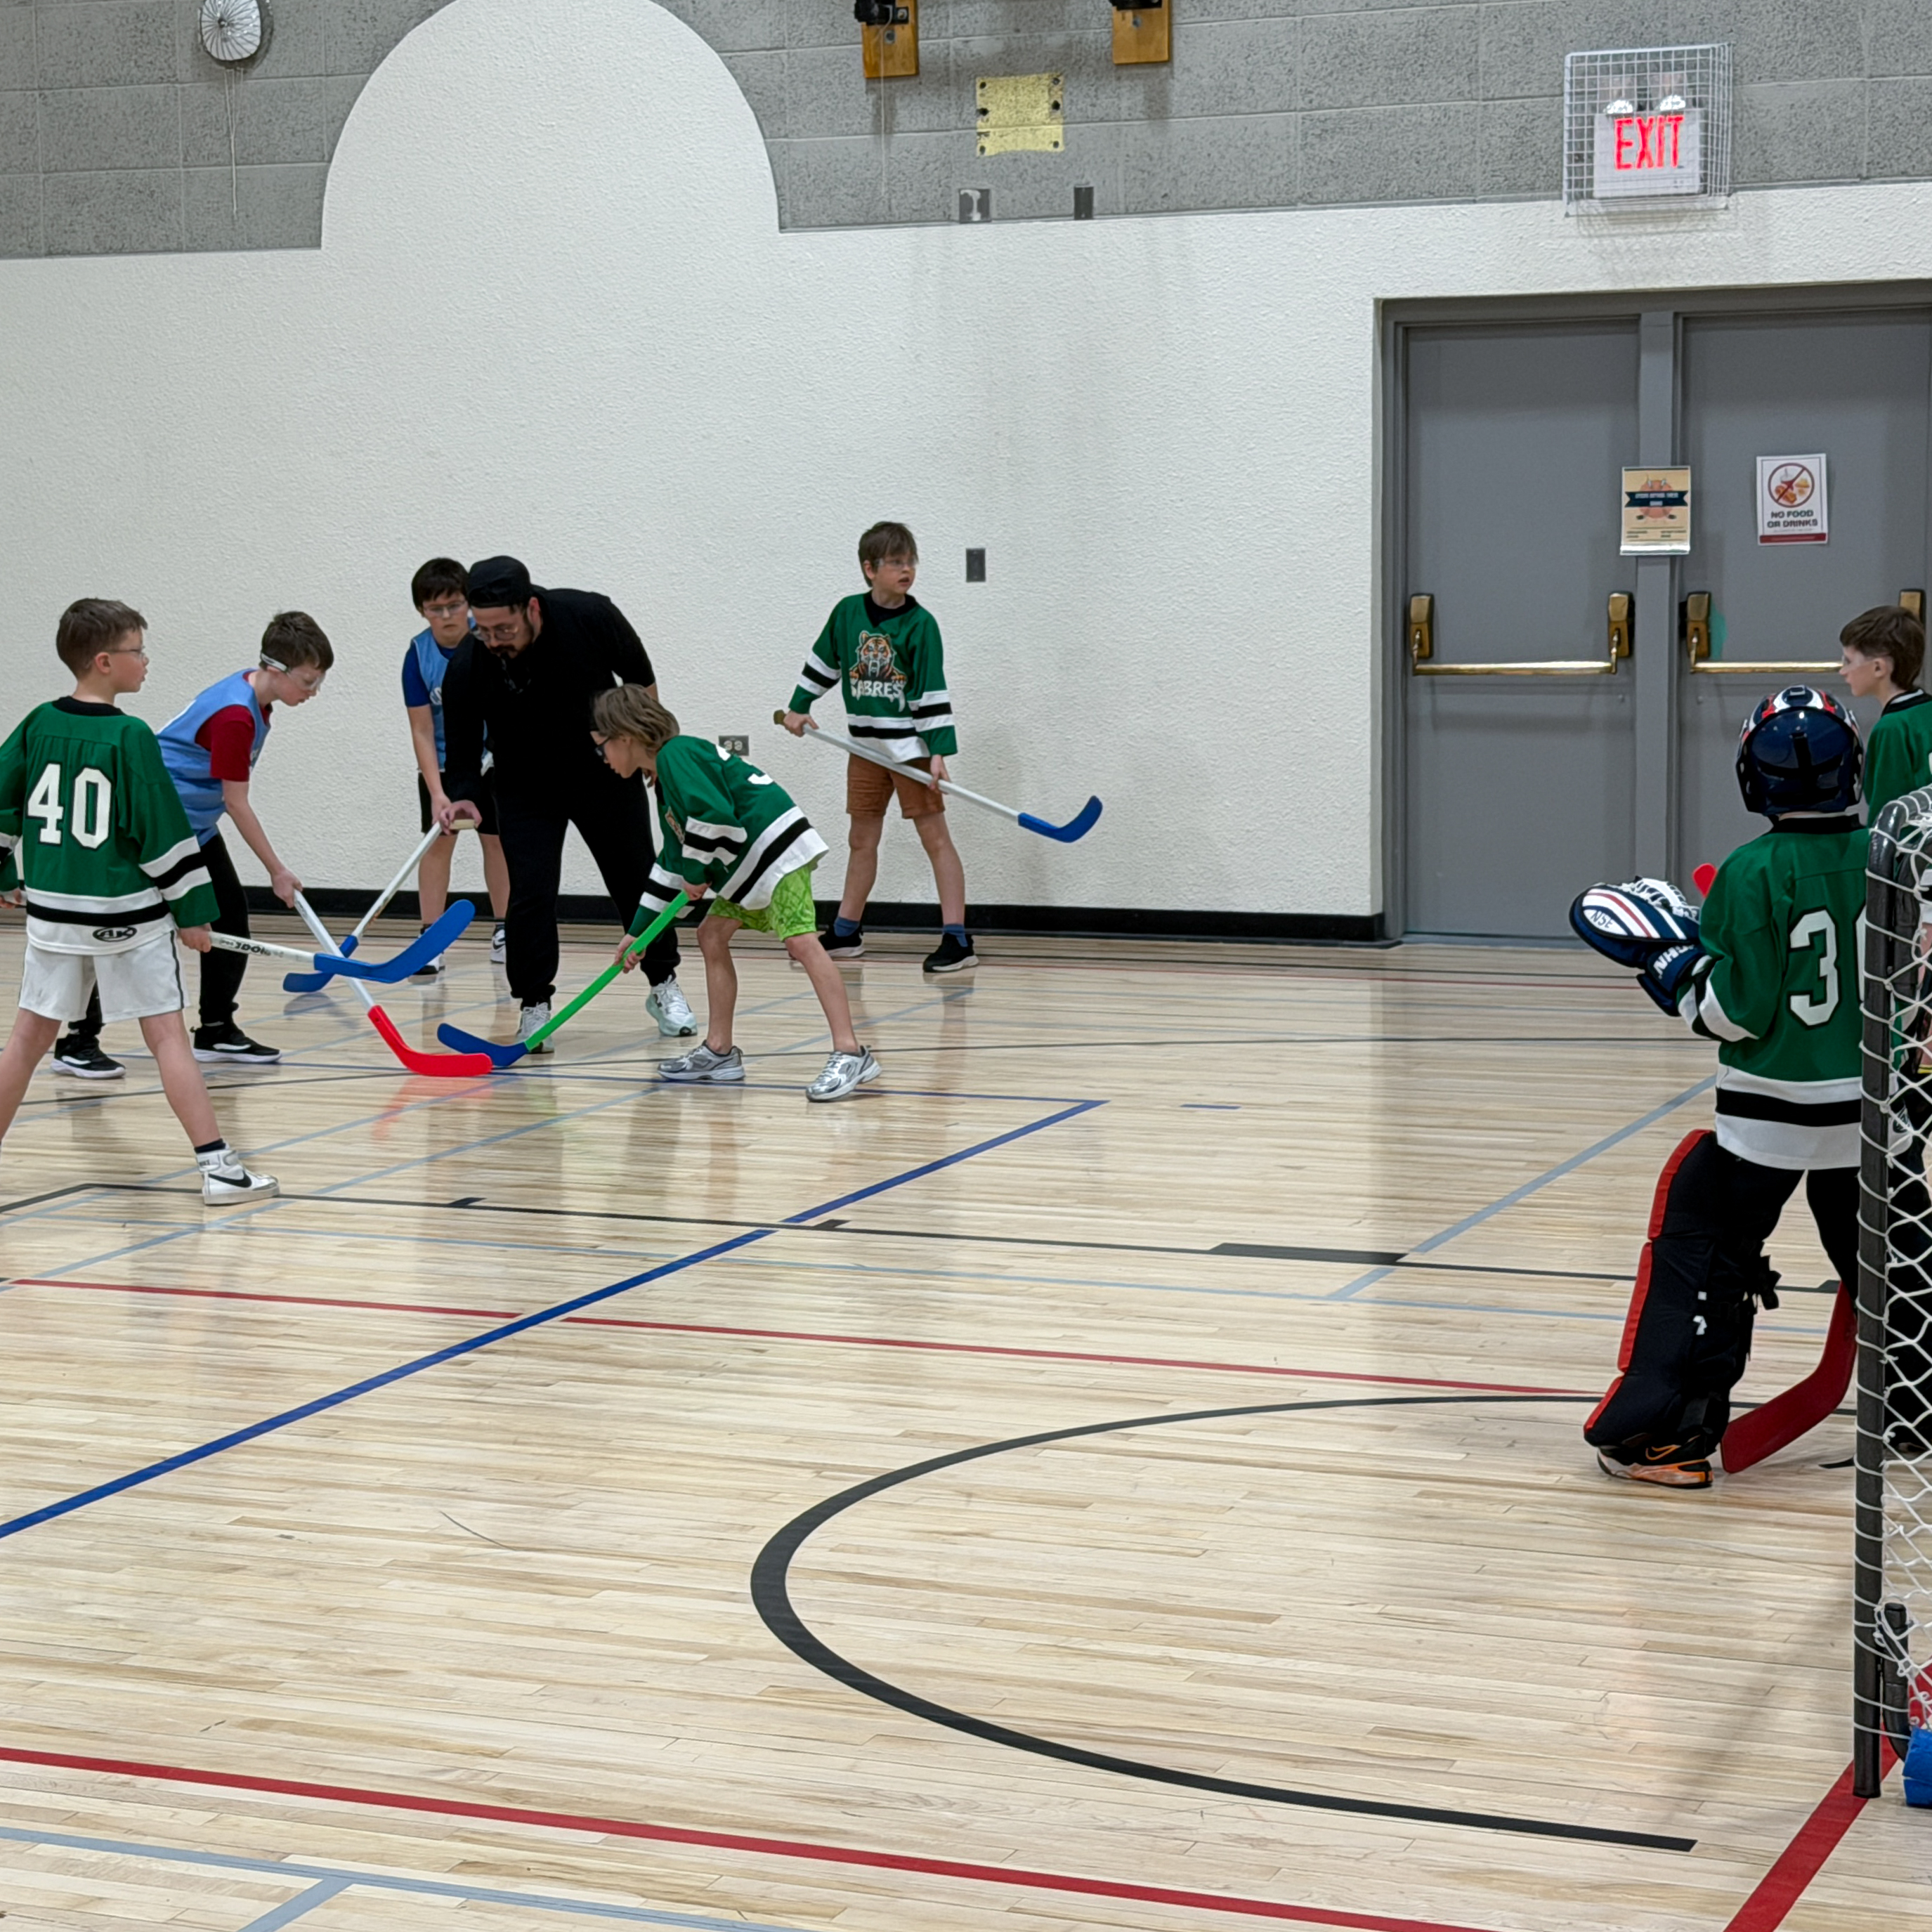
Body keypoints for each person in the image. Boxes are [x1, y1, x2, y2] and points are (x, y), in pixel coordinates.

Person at [1584, 686, 1864, 1487]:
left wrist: (1669, 969)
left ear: (1753, 774)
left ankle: (1664, 1435)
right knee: (1885, 1255)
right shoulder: (1891, 850)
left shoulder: (1750, 869)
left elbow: (1733, 1013)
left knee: (1701, 1246)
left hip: (1767, 1123)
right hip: (1874, 1119)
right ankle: (1913, 1411)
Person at [0, 599, 275, 1202]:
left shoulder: (37, 722)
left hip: (52, 917)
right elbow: (160, 833)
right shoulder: (130, 737)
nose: (146, 662)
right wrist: (194, 913)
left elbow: (1, 804)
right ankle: (220, 1169)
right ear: (104, 662)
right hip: (125, 917)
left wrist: (3, 876)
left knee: (26, 1037)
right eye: (137, 651)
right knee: (168, 1035)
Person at [437, 554, 693, 1051]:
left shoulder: (589, 616)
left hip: (604, 770)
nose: (494, 641)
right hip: (523, 784)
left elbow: (641, 683)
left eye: (504, 628)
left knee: (636, 877)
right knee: (529, 893)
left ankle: (663, 984)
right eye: (483, 630)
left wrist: (648, 757)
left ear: (531, 607)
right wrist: (465, 798)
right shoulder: (471, 661)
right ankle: (534, 1005)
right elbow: (463, 748)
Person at [591, 686, 877, 1101]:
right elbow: (672, 861)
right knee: (711, 935)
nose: (603, 760)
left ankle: (852, 1052)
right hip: (750, 866)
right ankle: (720, 1051)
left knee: (802, 943)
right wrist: (639, 933)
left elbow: (715, 815)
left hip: (776, 853)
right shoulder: (663, 781)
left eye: (602, 748)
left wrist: (696, 871)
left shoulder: (677, 755)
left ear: (625, 736)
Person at [780, 521, 974, 974]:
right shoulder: (848, 614)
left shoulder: (921, 625)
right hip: (865, 750)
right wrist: (798, 706)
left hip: (910, 752)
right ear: (870, 569)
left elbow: (931, 691)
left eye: (911, 561)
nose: (907, 570)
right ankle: (847, 932)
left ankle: (958, 939)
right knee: (860, 840)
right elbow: (823, 663)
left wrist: (939, 751)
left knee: (935, 839)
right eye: (896, 562)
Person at [150, 611, 331, 1064]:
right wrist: (277, 870)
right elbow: (236, 803)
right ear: (275, 668)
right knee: (124, 930)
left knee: (231, 921)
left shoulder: (254, 698)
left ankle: (215, 1030)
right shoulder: (235, 717)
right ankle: (78, 1039)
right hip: (160, 828)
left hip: (195, 826)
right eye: (309, 681)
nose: (314, 692)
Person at [401, 557, 509, 976]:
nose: (446, 616)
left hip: (494, 762)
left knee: (496, 840)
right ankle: (431, 937)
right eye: (435, 608)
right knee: (438, 844)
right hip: (444, 765)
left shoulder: (491, 642)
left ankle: (505, 930)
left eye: (454, 605)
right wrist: (437, 790)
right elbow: (422, 730)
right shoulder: (418, 654)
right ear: (422, 611)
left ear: (468, 603)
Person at [1841, 601, 1932, 815]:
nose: (1843, 671)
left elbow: (1886, 816)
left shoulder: (1892, 728)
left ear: (1879, 668)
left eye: (1849, 661)